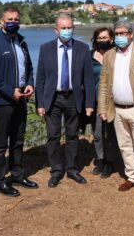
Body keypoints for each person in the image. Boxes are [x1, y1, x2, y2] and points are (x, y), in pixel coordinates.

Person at [0, 6, 38, 197]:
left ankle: (17, 173)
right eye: (9, 19)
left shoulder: (21, 42)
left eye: (16, 19)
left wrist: (30, 84)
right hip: (2, 101)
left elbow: (29, 67)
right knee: (0, 143)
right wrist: (8, 90)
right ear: (1, 21)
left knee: (18, 139)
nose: (13, 22)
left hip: (21, 98)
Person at [97, 20, 134, 199]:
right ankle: (131, 176)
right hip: (117, 110)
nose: (120, 37)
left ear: (131, 34)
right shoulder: (109, 55)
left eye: (124, 33)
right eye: (118, 34)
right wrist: (102, 107)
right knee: (124, 146)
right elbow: (104, 84)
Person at [36, 15, 95, 188]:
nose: (67, 31)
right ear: (56, 30)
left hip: (73, 98)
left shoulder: (82, 48)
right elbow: (40, 78)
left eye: (70, 27)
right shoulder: (45, 48)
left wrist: (89, 103)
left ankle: (71, 168)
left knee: (72, 135)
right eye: (63, 28)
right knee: (53, 136)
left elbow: (89, 79)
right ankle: (56, 170)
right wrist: (40, 103)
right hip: (53, 98)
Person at [90, 27, 117, 178]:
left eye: (105, 37)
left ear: (111, 38)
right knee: (98, 133)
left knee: (111, 134)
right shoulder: (90, 56)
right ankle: (100, 159)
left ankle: (110, 161)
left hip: (113, 101)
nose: (102, 40)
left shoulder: (117, 54)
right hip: (95, 100)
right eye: (99, 38)